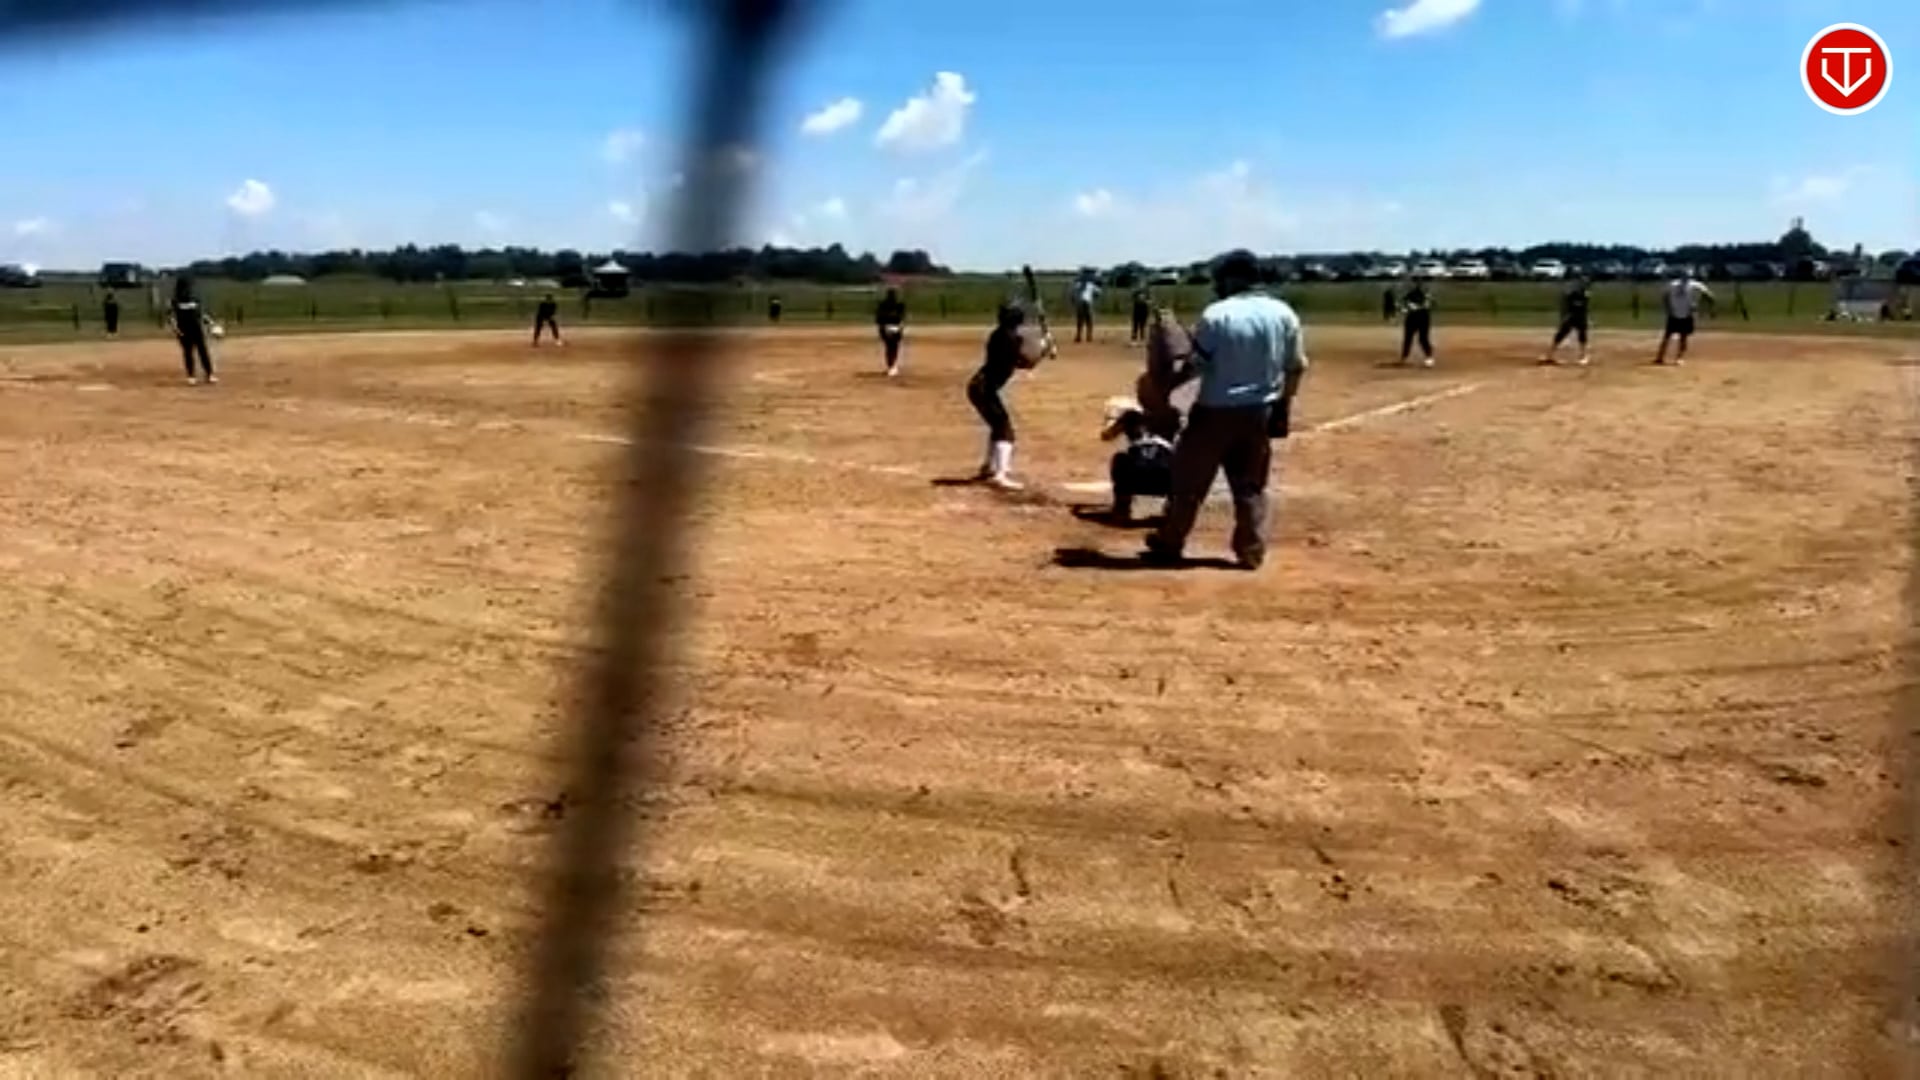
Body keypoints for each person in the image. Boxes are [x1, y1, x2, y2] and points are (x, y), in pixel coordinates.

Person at [1143, 249, 1306, 570]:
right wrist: (1284, 404)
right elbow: (1297, 366)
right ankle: (1251, 549)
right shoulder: (1284, 313)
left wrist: (1166, 383)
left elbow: (1196, 365)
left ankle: (1170, 541)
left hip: (1214, 410)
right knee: (1251, 485)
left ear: (1234, 278)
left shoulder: (1218, 314)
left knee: (1188, 480)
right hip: (1259, 410)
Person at [966, 301, 1053, 491]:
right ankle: (1000, 475)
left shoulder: (999, 334)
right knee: (1004, 429)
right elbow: (1026, 363)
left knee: (998, 425)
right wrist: (1044, 348)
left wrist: (1042, 348)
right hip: (984, 388)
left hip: (980, 387)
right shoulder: (1011, 339)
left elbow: (1023, 358)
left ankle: (988, 467)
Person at [1100, 403, 1175, 523]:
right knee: (1177, 464)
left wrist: (1116, 422)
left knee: (1119, 459)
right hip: (1163, 485)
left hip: (1137, 482)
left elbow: (1106, 436)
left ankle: (1122, 508)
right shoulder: (1165, 442)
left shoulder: (1134, 439)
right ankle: (1173, 510)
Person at [166, 277, 217, 386]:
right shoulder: (174, 301)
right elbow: (171, 317)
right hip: (183, 329)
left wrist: (211, 323)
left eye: (189, 287)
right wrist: (176, 330)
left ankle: (209, 374)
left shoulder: (194, 299)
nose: (188, 289)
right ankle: (191, 376)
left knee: (203, 351)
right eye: (186, 287)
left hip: (196, 328)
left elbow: (201, 314)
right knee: (188, 352)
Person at [1655, 272, 1712, 366]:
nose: (1685, 278)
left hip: (1686, 315)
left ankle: (1679, 358)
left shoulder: (1694, 285)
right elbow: (1664, 296)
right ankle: (1660, 357)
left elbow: (1708, 295)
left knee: (1683, 337)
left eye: (1687, 276)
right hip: (1674, 314)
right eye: (1684, 276)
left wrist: (1699, 305)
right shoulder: (1673, 284)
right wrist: (1668, 309)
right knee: (1667, 336)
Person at [1541, 274, 1592, 366]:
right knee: (1560, 334)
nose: (1582, 284)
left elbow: (1580, 305)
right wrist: (1565, 314)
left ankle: (1583, 356)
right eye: (1582, 282)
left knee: (1582, 336)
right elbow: (1566, 304)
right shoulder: (1574, 293)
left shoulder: (1585, 294)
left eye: (1584, 282)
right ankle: (1550, 355)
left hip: (1580, 316)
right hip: (1571, 316)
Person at [1399, 281, 1435, 367]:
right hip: (1414, 318)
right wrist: (1404, 309)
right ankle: (1404, 357)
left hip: (1422, 318)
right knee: (1408, 338)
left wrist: (1411, 308)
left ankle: (1429, 357)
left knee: (1422, 339)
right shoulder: (1410, 295)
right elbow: (1404, 305)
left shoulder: (1426, 295)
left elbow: (1431, 305)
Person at [874, 287, 907, 377]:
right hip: (890, 327)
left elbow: (902, 318)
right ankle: (891, 366)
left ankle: (891, 366)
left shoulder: (894, 305)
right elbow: (879, 318)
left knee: (891, 347)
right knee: (892, 347)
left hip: (891, 327)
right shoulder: (895, 305)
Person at [1072, 276, 1100, 343]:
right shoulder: (1091, 285)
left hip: (1080, 302)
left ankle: (1079, 336)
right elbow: (1097, 293)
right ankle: (1088, 336)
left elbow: (1073, 293)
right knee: (1089, 319)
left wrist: (1074, 300)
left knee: (1080, 319)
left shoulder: (1078, 284)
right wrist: (1093, 297)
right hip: (1087, 302)